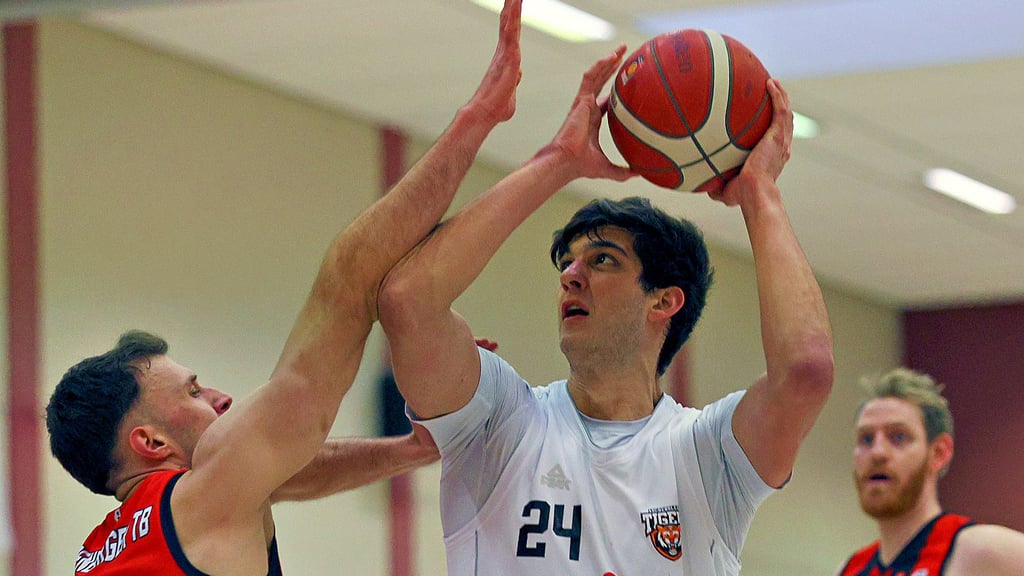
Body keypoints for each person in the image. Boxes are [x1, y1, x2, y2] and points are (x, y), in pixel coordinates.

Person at [43, 1, 525, 573]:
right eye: (193, 392)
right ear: (150, 443)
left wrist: (413, 448)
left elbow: (286, 470)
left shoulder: (109, 543)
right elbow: (347, 284)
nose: (220, 397)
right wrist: (481, 120)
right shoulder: (196, 503)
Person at [377, 40, 835, 575]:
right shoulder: (501, 423)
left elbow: (805, 371)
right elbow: (408, 302)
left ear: (664, 300)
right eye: (567, 264)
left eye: (603, 260)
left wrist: (760, 196)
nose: (571, 276)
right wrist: (558, 163)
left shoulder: (706, 456)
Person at [840, 367, 1024, 576]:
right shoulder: (850, 569)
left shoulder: (980, 551)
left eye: (898, 437)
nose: (877, 452)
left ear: (938, 453)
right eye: (866, 439)